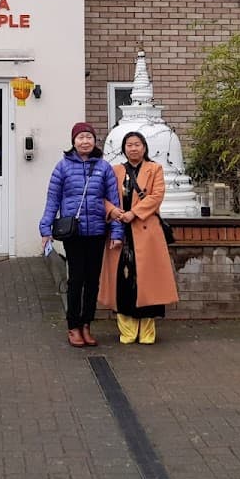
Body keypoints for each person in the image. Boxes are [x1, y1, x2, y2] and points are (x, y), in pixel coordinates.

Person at [39, 122, 121, 348]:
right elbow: (52, 201)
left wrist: (117, 231)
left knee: (92, 281)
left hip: (96, 232)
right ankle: (73, 326)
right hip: (73, 233)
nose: (85, 141)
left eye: (89, 137)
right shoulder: (62, 167)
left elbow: (114, 202)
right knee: (75, 280)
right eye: (80, 137)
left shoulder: (104, 168)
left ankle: (87, 324)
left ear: (95, 141)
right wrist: (45, 229)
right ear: (73, 141)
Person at [99, 130, 179, 344]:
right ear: (124, 149)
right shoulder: (115, 170)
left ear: (144, 147)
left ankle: (147, 331)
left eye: (137, 144)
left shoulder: (155, 169)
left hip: (146, 231)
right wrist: (113, 211)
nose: (133, 148)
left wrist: (134, 212)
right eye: (129, 145)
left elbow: (156, 196)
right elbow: (103, 195)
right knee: (122, 280)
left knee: (147, 282)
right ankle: (127, 330)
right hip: (120, 230)